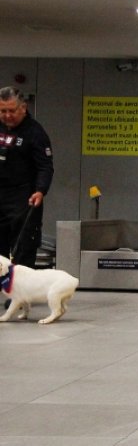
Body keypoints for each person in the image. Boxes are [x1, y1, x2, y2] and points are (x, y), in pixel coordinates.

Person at [1, 86, 54, 309]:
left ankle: (19, 297)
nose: (7, 116)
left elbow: (45, 167)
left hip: (25, 195)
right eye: (2, 111)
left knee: (23, 246)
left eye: (11, 110)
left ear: (24, 108)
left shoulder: (35, 132)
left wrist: (40, 190)